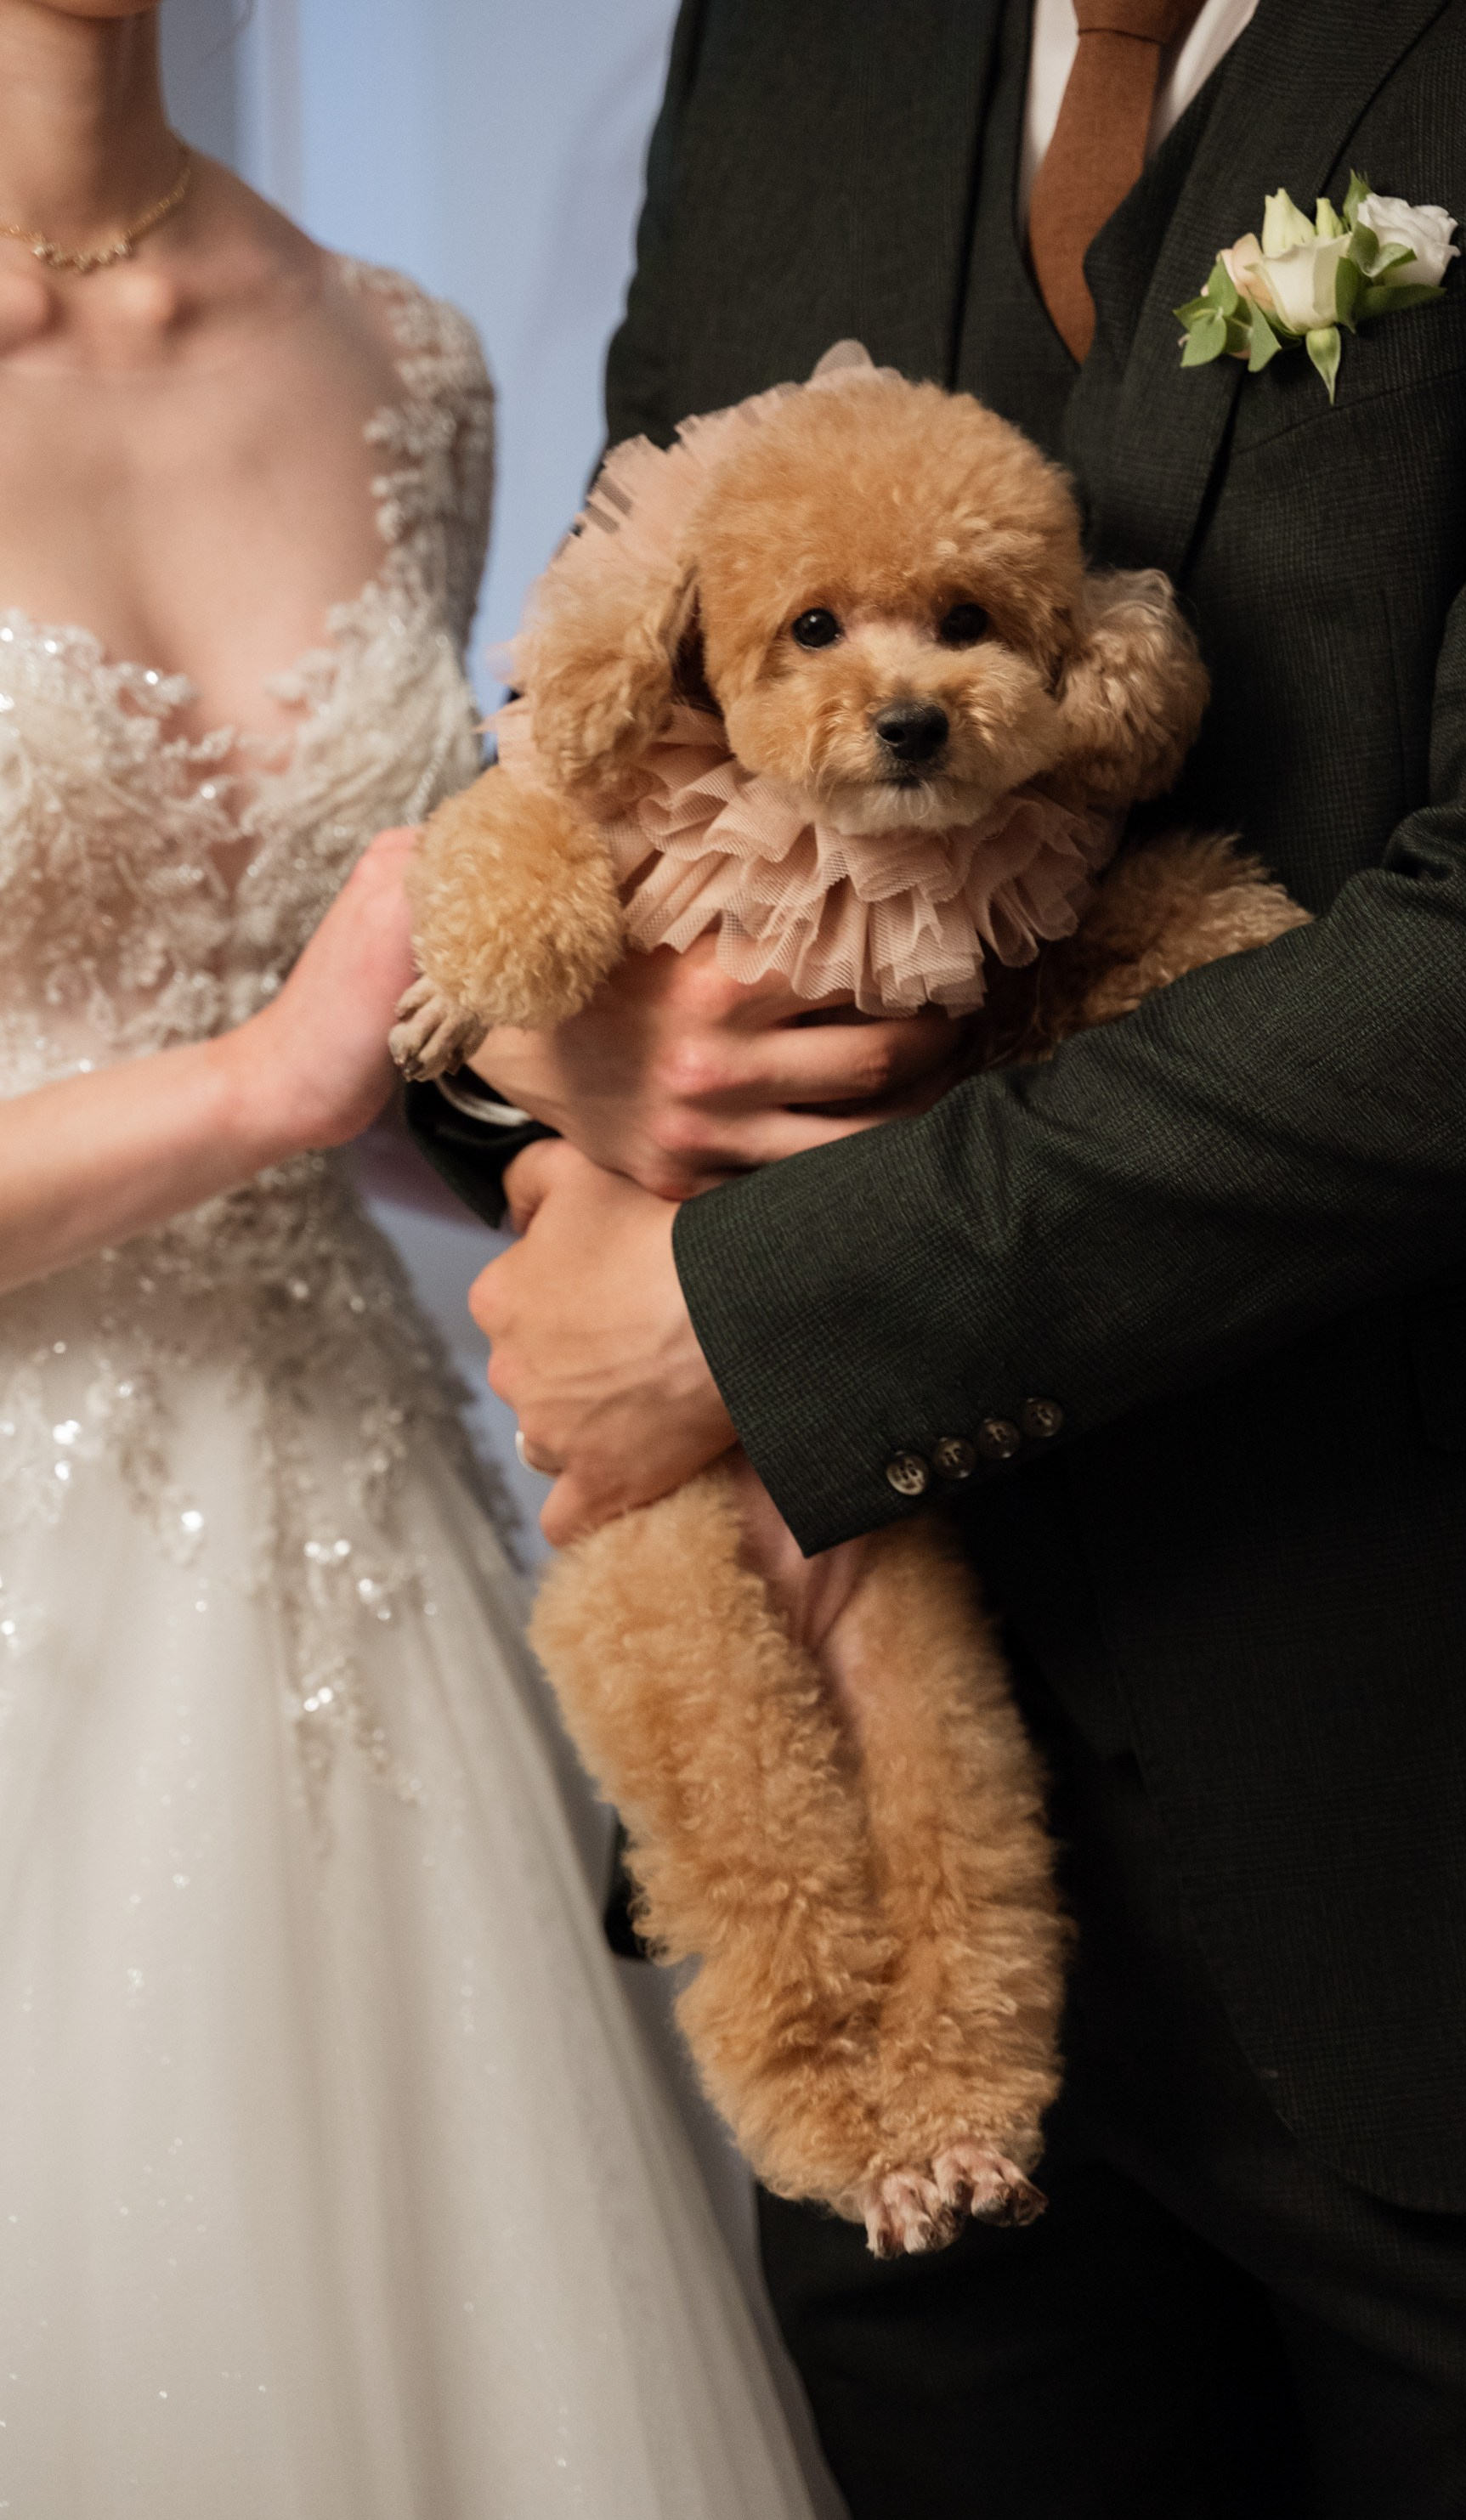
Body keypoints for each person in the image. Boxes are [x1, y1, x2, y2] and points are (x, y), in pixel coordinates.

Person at [414, 0, 1466, 2512]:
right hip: (882, 1867)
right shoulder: (780, 42)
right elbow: (610, 725)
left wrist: (742, 1318)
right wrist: (544, 1083)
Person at [0, 3, 824, 2512]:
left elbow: (410, 1065)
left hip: (380, 1547)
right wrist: (274, 1082)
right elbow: (295, 1061)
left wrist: (601, 1143)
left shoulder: (410, 359)